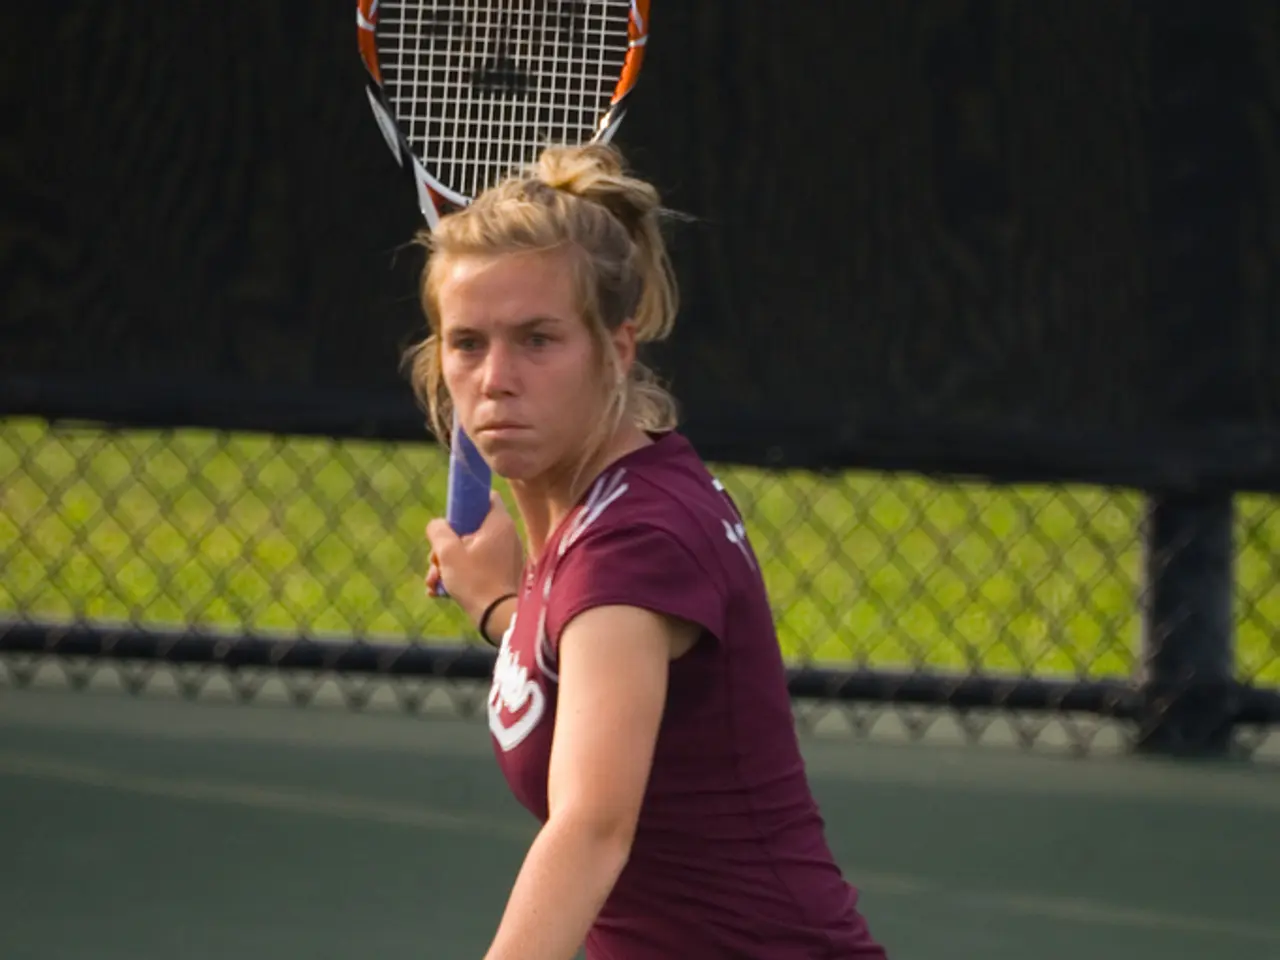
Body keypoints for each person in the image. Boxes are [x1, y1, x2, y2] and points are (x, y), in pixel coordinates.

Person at [409, 142, 887, 960]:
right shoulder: (613, 505)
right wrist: (500, 607)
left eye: (537, 339)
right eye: (467, 343)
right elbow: (592, 663)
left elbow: (592, 831)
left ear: (617, 349)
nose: (495, 378)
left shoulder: (635, 547)